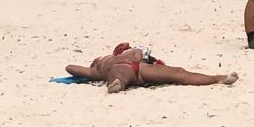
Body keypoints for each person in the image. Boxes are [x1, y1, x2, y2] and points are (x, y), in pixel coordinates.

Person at [64, 46, 238, 94]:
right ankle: (218, 78)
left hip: (129, 69)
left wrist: (96, 66)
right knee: (178, 74)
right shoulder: (108, 63)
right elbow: (70, 68)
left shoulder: (101, 66)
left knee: (178, 72)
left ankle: (218, 78)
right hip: (140, 69)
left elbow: (70, 68)